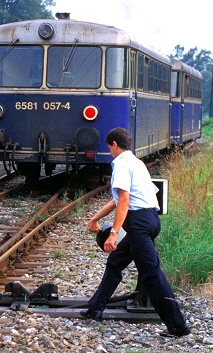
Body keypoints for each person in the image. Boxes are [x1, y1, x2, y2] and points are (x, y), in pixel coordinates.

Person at [80, 127, 190, 337]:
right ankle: (96, 309)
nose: (110, 151)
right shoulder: (136, 163)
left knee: (151, 275)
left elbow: (124, 200)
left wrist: (113, 233)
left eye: (109, 147)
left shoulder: (121, 164)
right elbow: (116, 200)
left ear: (114, 144)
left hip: (139, 224)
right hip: (149, 219)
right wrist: (95, 219)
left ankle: (178, 325)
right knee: (115, 262)